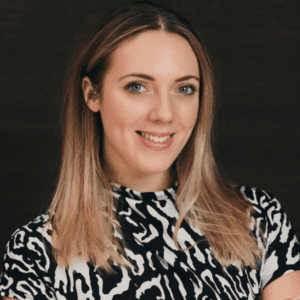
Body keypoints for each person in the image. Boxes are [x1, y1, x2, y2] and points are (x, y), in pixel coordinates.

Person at [1, 1, 300, 299]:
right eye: (137, 87)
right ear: (93, 94)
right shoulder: (35, 254)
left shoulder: (258, 219)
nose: (164, 114)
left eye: (184, 89)